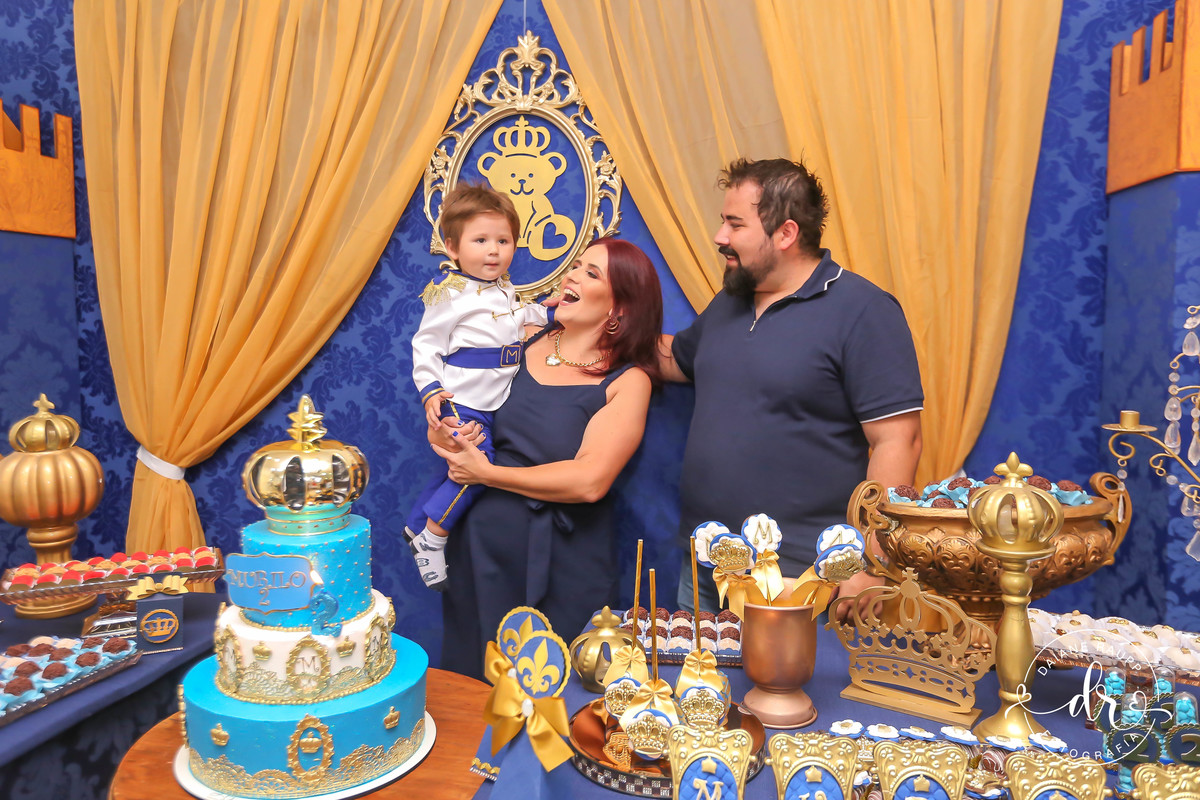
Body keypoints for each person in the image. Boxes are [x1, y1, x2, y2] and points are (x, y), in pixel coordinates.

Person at [659, 157, 923, 617]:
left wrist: (871, 561)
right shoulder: (730, 301)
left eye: (734, 224)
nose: (720, 236)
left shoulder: (863, 310)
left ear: (785, 233)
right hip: (706, 562)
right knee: (695, 669)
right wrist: (594, 330)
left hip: (804, 576)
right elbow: (675, 360)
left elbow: (899, 440)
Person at [430, 238, 663, 679]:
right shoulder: (519, 338)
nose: (572, 275)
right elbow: (458, 406)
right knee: (474, 686)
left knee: (561, 691)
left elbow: (590, 480)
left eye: (592, 274)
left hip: (566, 562)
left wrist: (488, 473)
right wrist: (446, 431)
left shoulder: (627, 381)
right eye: (577, 265)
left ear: (619, 309)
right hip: (482, 552)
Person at [405, 184, 549, 591]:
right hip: (460, 396)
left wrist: (549, 312)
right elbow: (426, 345)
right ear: (452, 248)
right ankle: (432, 538)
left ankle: (416, 523)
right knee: (476, 465)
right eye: (481, 240)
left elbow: (520, 315)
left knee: (456, 466)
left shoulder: (505, 289)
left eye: (503, 241)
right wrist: (431, 390)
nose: (493, 251)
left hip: (492, 399)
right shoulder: (449, 293)